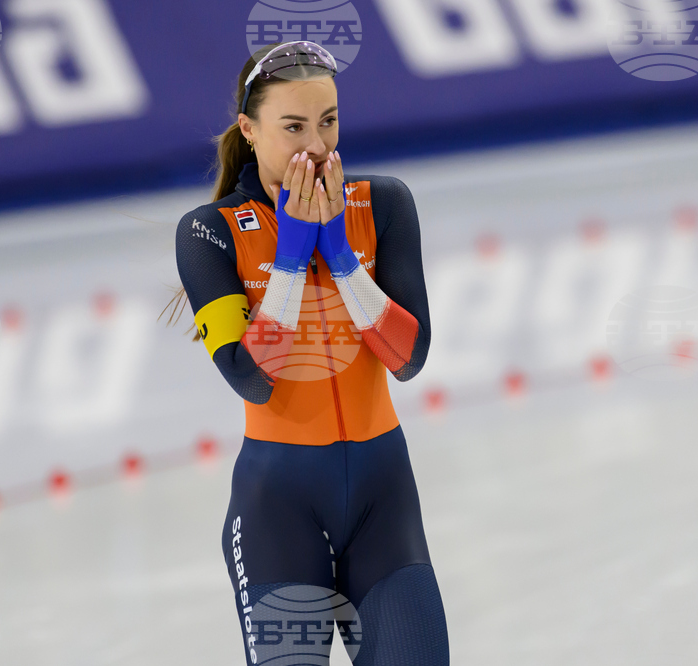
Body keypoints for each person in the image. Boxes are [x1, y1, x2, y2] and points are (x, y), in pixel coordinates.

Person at [169, 41, 449, 665]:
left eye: (328, 122)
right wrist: (292, 258)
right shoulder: (208, 232)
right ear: (249, 129)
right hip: (278, 512)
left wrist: (343, 258)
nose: (317, 147)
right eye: (293, 126)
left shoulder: (383, 204)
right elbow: (251, 378)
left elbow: (409, 358)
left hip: (383, 499)